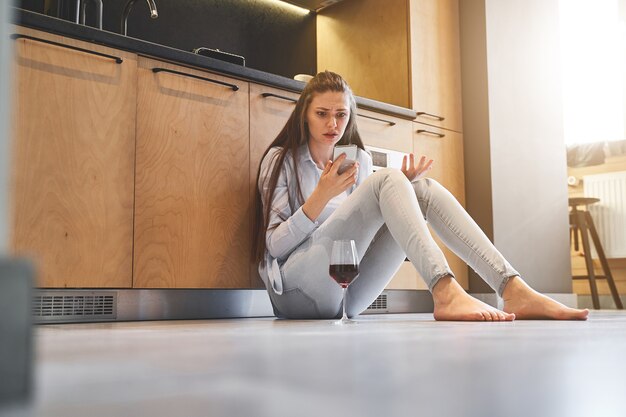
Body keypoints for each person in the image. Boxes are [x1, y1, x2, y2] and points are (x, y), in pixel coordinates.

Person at [252, 71, 589, 321]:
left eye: (341, 114)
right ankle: (444, 292)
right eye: (322, 114)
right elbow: (274, 246)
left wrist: (401, 197)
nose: (333, 123)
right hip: (295, 293)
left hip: (346, 297)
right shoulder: (282, 161)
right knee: (389, 181)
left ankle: (512, 288)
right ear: (305, 116)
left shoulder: (360, 162)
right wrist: (319, 198)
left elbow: (370, 241)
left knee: (419, 189)